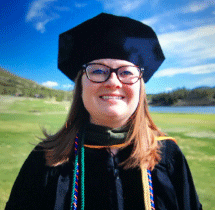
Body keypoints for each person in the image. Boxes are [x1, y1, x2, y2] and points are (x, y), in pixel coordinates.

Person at [5, 13, 202, 210]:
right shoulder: (45, 158)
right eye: (98, 70)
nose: (113, 82)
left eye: (126, 72)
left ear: (140, 87)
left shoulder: (168, 156)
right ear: (80, 85)